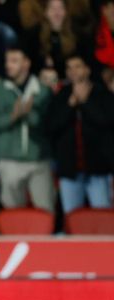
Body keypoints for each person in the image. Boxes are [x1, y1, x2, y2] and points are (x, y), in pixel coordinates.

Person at [0, 45, 55, 213]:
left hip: (38, 159)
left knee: (45, 210)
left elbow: (49, 124)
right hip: (8, 160)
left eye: (14, 61)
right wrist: (12, 116)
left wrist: (28, 114)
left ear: (26, 63)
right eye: (7, 61)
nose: (8, 65)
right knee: (12, 213)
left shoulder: (42, 90)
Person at [47, 54, 114, 213]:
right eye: (69, 68)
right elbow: (51, 126)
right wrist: (70, 106)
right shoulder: (61, 96)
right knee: (71, 218)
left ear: (87, 69)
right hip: (69, 169)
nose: (73, 71)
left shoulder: (102, 94)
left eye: (77, 66)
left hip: (99, 169)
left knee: (103, 217)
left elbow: (106, 122)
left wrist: (85, 102)